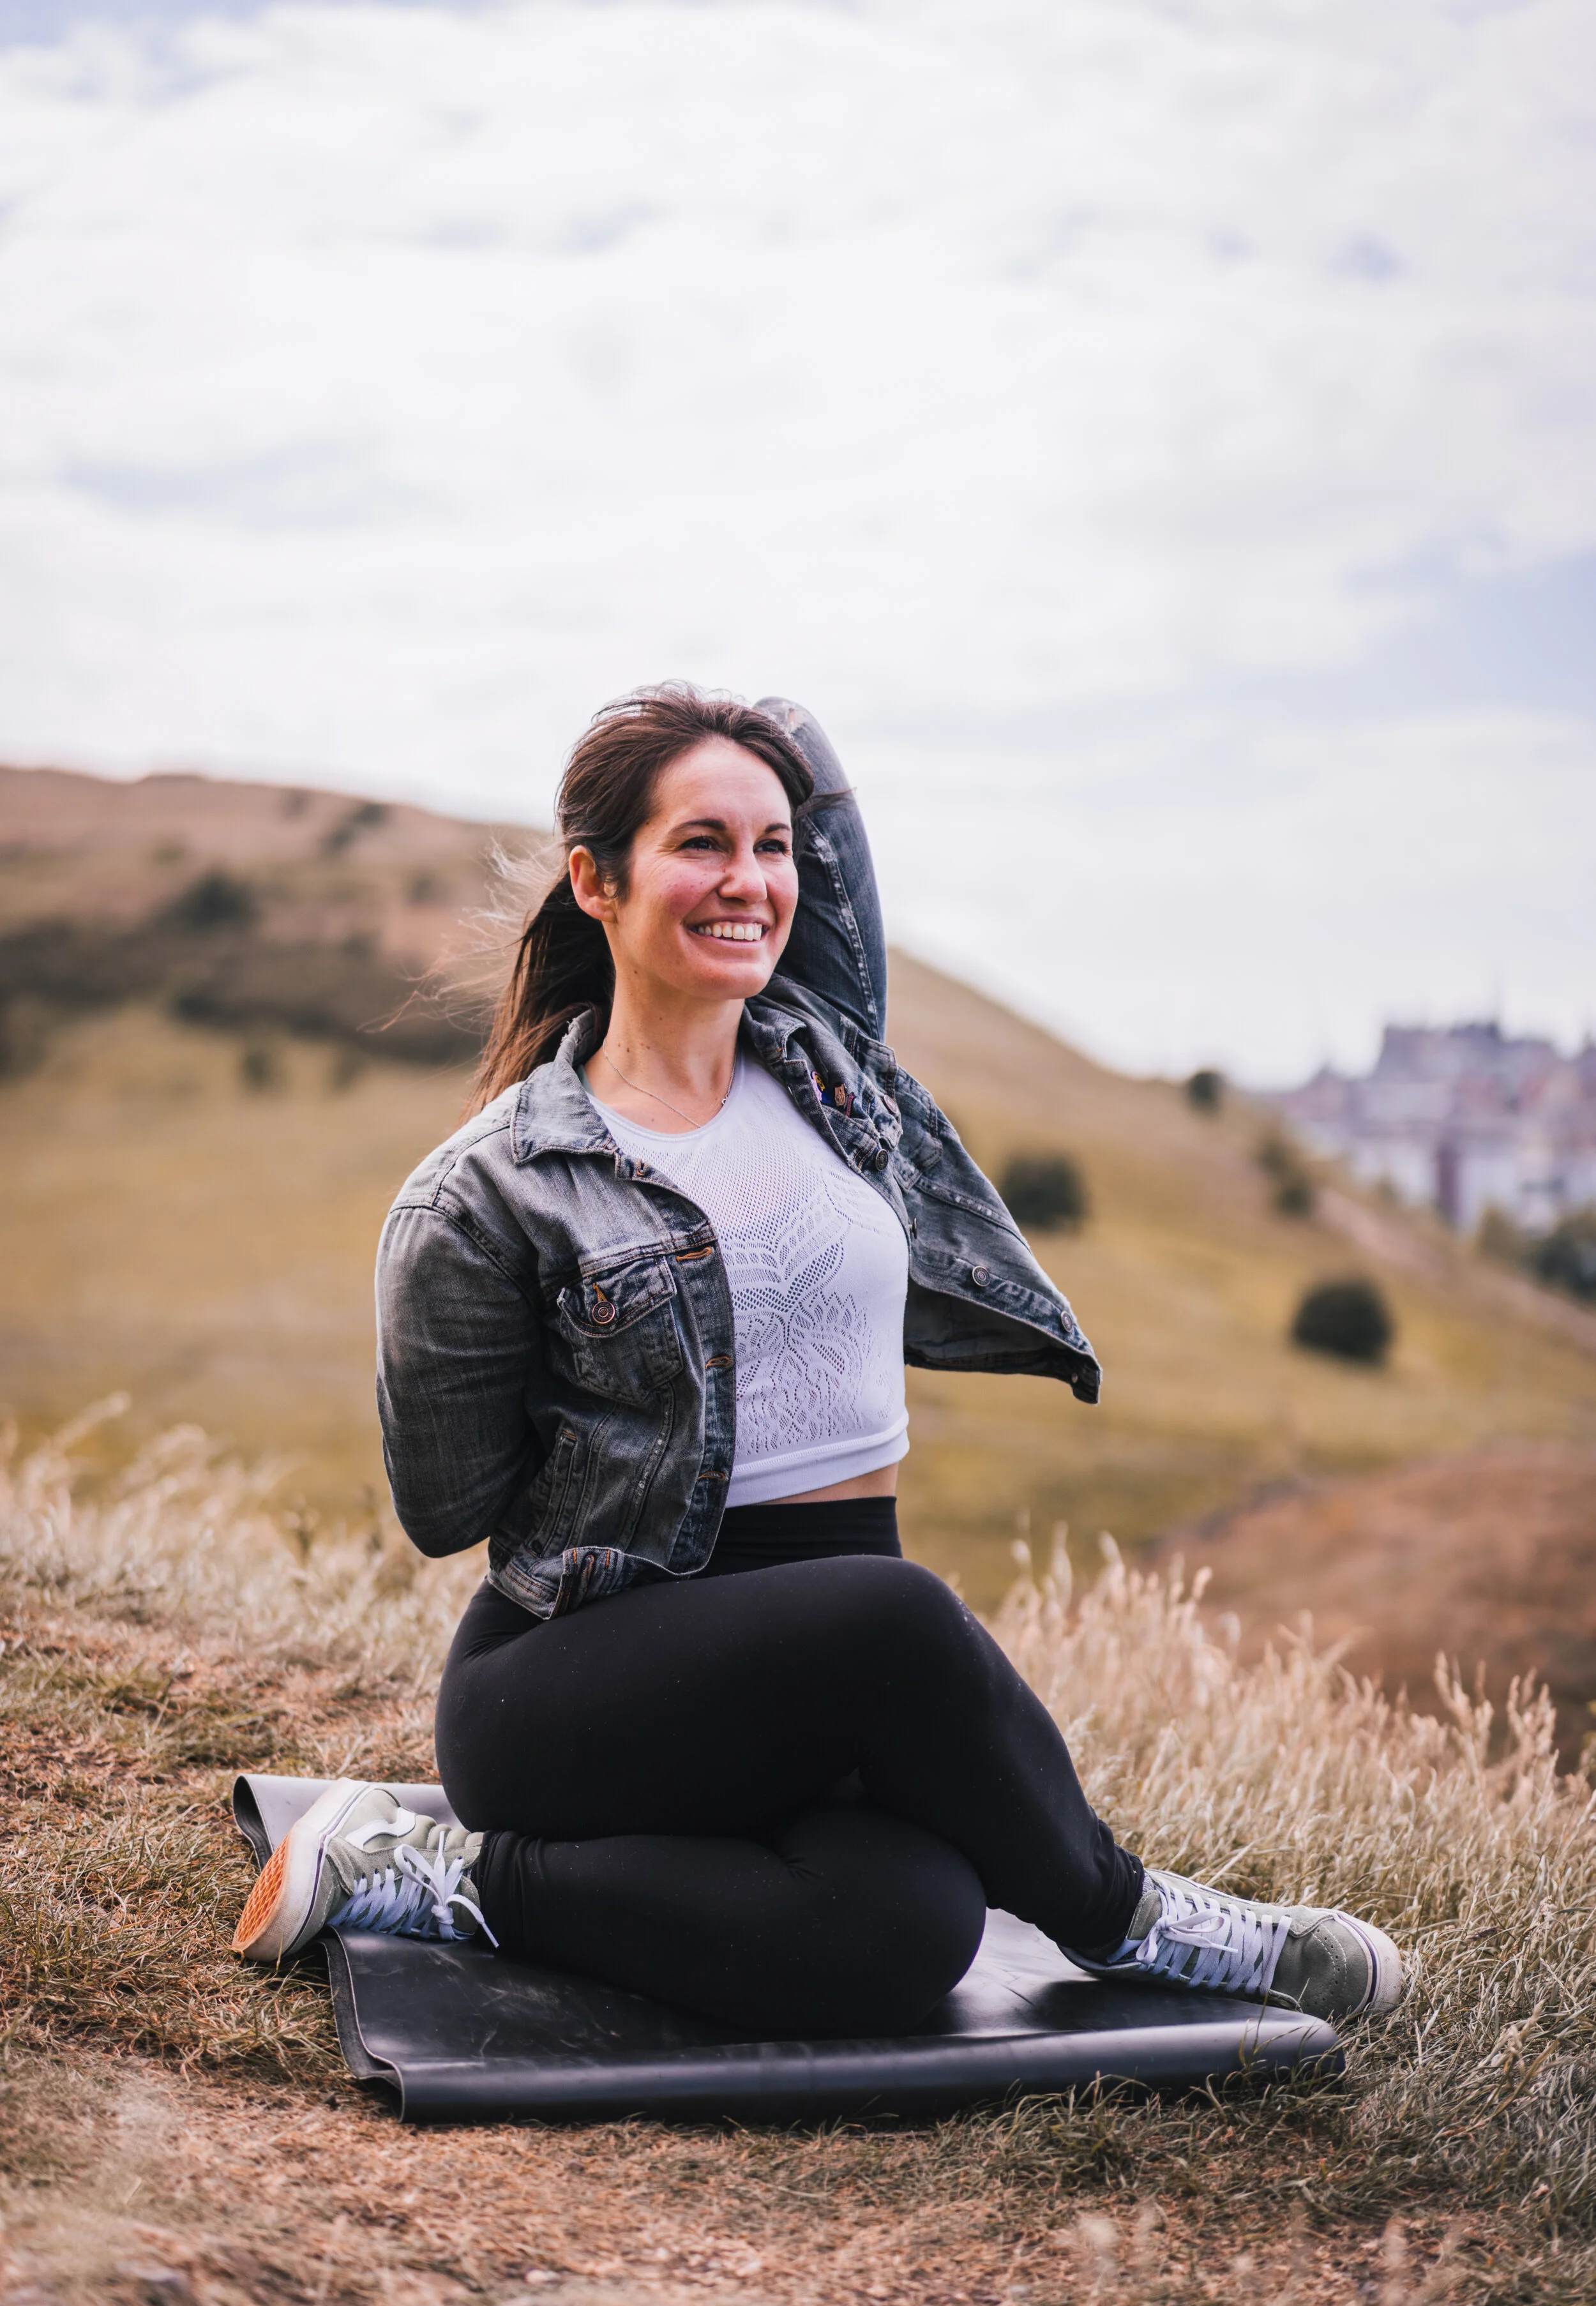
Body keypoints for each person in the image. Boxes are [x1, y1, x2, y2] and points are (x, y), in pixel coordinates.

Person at [233, 686, 1402, 2035]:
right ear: (593, 880)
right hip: (574, 1687)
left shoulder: (826, 1053)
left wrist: (737, 732)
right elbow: (447, 1511)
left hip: (816, 1681)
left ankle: (449, 1881)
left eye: (771, 845)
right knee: (894, 1617)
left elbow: (818, 793)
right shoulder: (486, 1193)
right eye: (699, 844)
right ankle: (1138, 1924)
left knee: (906, 1926)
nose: (748, 881)